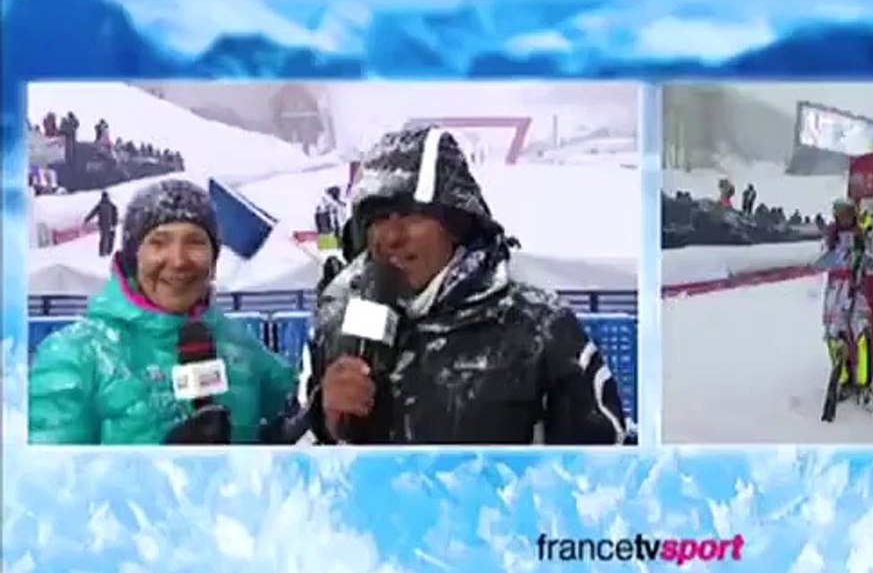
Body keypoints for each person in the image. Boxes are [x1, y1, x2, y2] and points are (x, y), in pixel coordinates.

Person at [306, 126, 630, 445]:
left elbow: (605, 473)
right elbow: (278, 467)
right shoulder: (334, 324)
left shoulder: (539, 327)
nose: (391, 237)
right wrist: (323, 420)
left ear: (456, 223)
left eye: (411, 215)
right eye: (377, 218)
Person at [28, 179, 301, 445]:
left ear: (214, 260)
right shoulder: (74, 355)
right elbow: (48, 484)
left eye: (195, 242)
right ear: (133, 258)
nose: (179, 261)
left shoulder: (238, 343)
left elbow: (292, 417)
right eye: (159, 243)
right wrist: (161, 466)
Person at [814, 197, 873, 405]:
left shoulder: (863, 233)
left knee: (861, 334)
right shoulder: (830, 235)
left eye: (847, 213)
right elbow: (819, 260)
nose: (844, 217)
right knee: (833, 336)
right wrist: (833, 252)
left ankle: (864, 382)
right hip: (835, 288)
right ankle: (843, 378)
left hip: (857, 287)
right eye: (840, 213)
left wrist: (862, 248)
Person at [84, 190, 119, 257]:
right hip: (110, 225)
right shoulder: (112, 205)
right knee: (110, 239)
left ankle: (102, 252)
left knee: (103, 239)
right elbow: (115, 215)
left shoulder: (100, 205)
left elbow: (92, 213)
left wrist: (86, 219)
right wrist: (114, 223)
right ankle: (108, 252)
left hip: (102, 225)